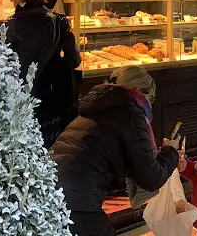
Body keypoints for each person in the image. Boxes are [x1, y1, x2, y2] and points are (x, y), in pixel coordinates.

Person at [51, 66, 180, 236]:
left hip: (53, 184)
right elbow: (151, 178)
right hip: (78, 197)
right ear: (139, 92)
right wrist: (172, 151)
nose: (150, 105)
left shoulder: (100, 105)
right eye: (151, 98)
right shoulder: (131, 114)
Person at [4, 0, 81, 147]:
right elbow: (75, 60)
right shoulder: (59, 22)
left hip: (16, 101)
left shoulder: (8, 26)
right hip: (50, 99)